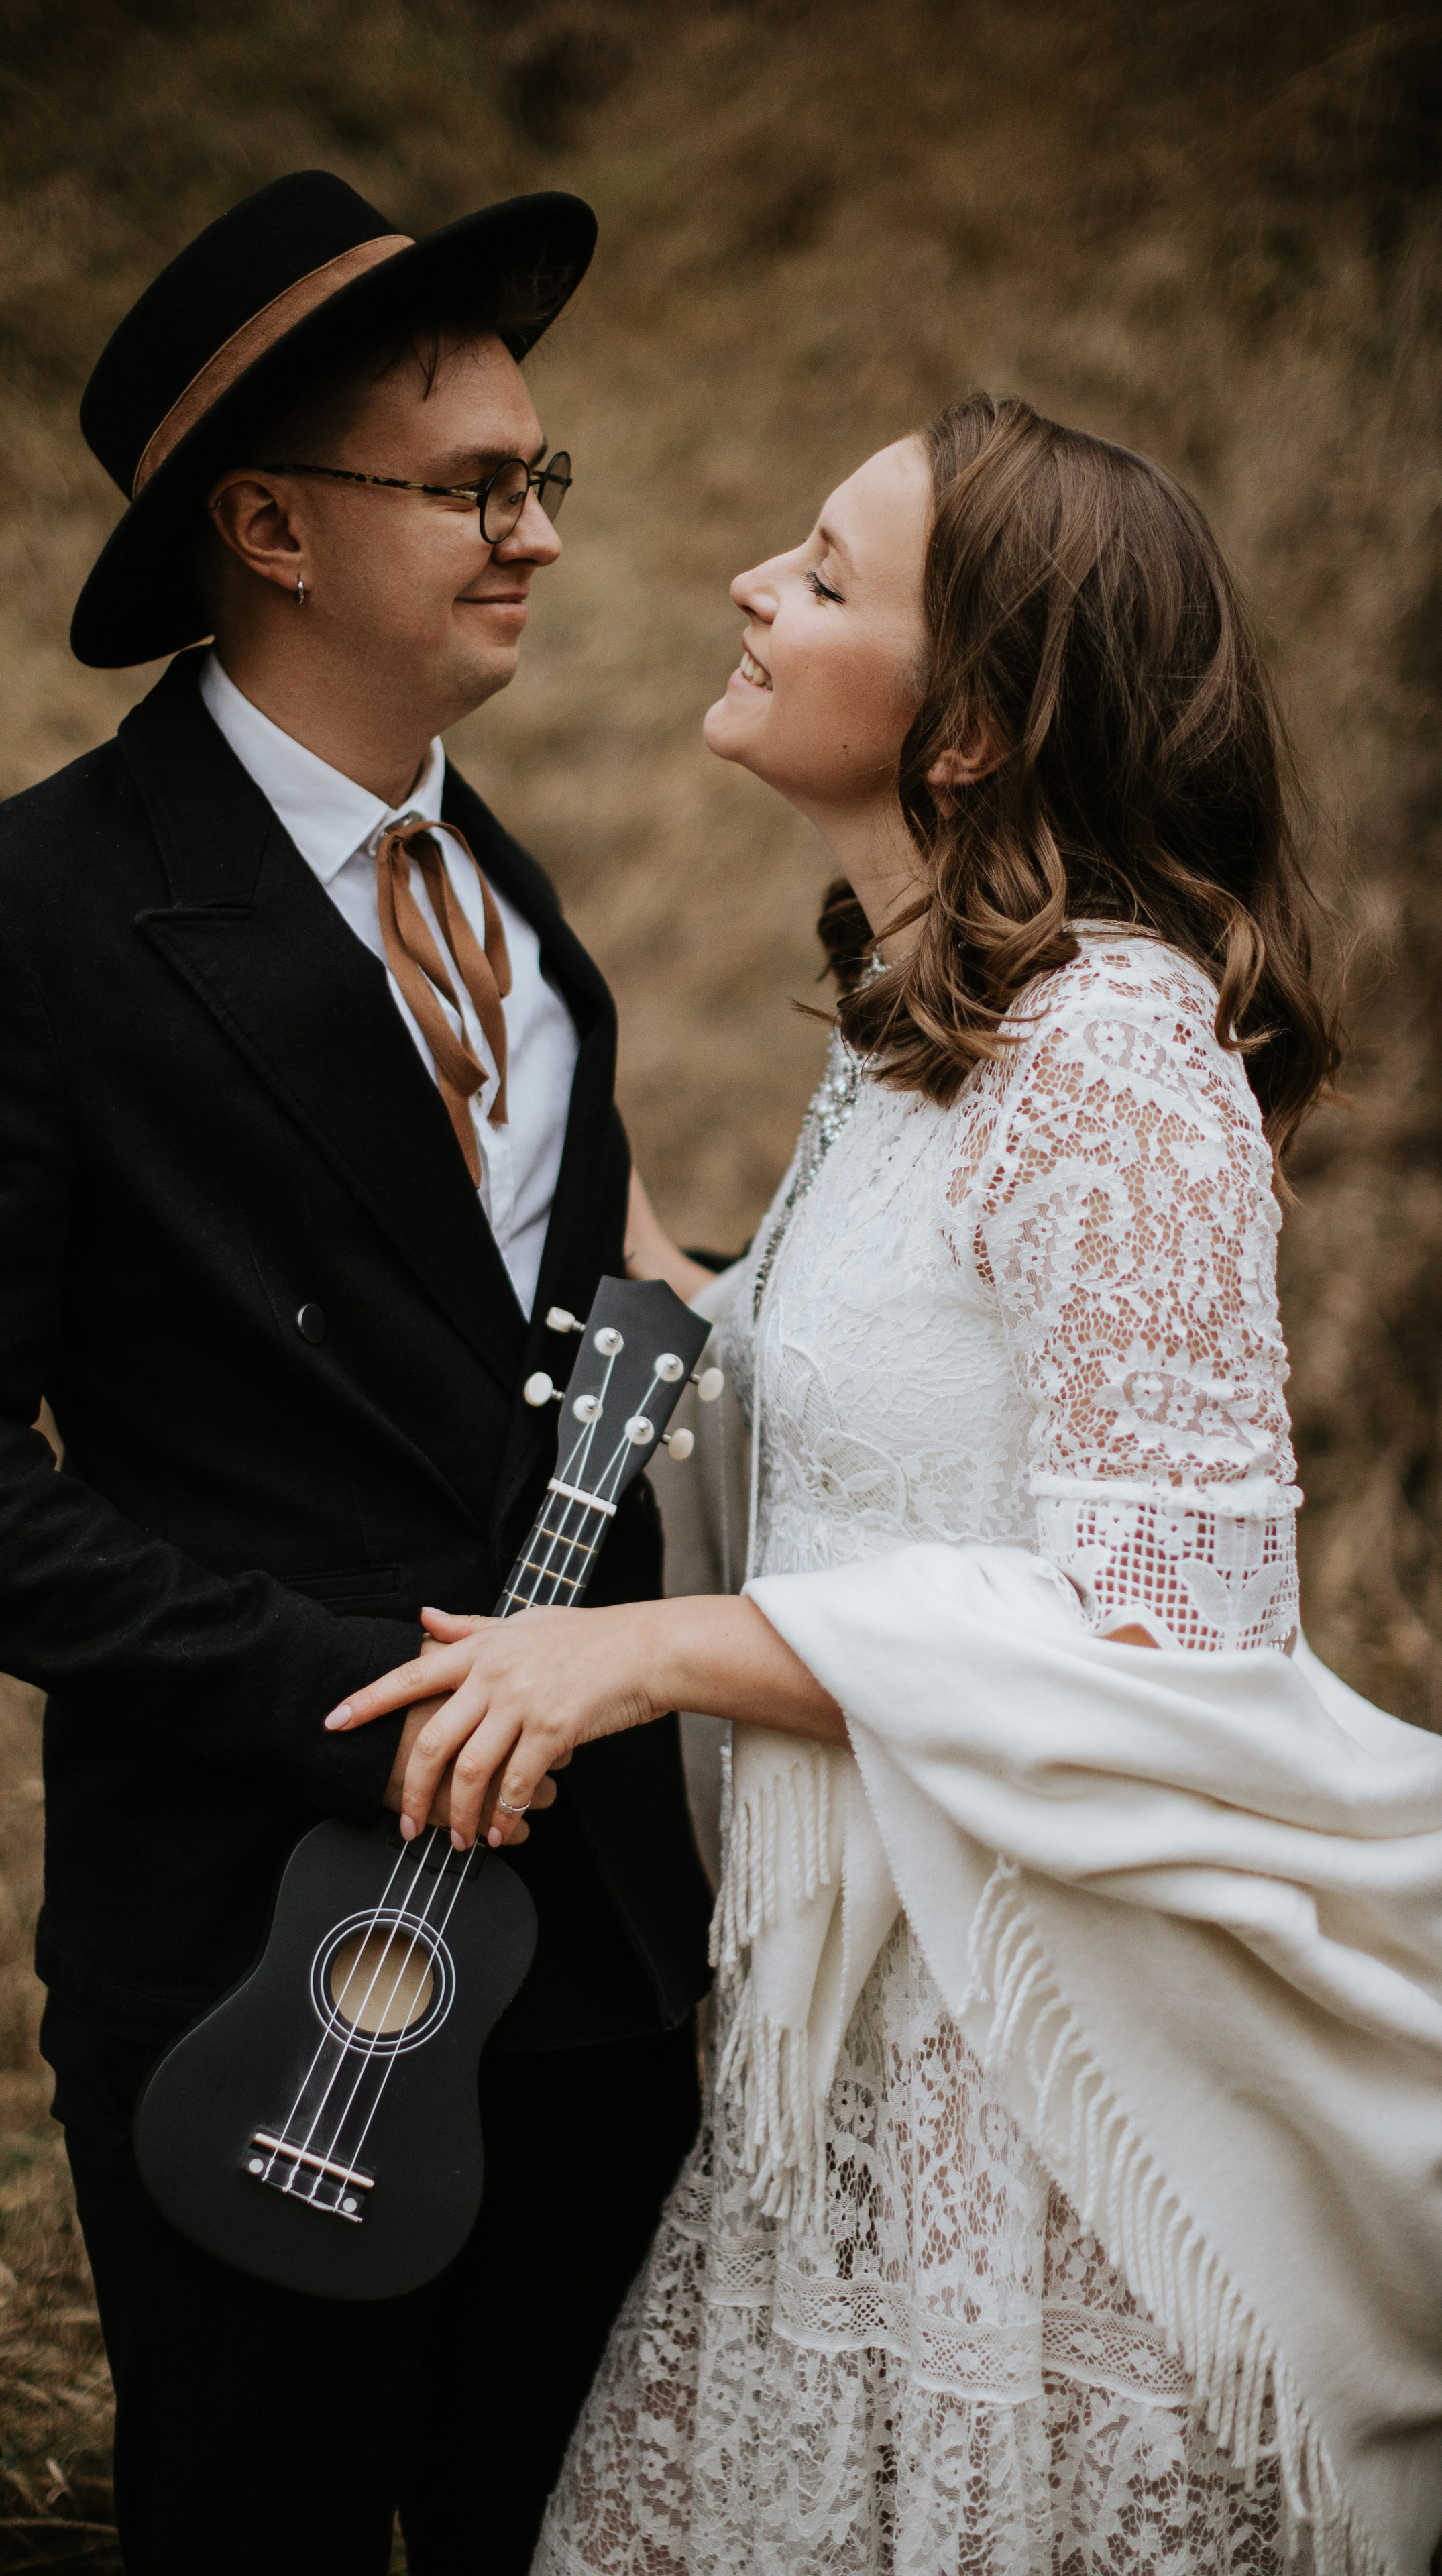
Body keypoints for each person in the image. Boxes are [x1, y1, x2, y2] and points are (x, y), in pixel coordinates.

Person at [333, 393, 1442, 2575]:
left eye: (828, 578)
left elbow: (1173, 1632)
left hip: (1030, 2045)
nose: (752, 582)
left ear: (967, 733)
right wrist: (502, 1111)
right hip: (846, 1993)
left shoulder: (1118, 1057)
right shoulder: (915, 1035)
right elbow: (802, 1392)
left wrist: (647, 1650)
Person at [0, 170, 714, 2576]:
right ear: (270, 525)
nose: (533, 536)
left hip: (598, 1929)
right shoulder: (17, 919)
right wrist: (346, 1686)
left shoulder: (527, 926)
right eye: (474, 491)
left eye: (544, 480)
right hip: (248, 1935)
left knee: (562, 2530)